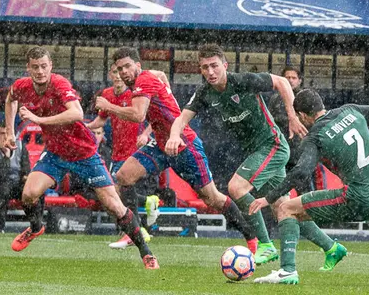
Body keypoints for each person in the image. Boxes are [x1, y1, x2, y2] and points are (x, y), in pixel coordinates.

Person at [168, 45, 344, 269]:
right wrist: (174, 135)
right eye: (205, 67)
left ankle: (265, 245)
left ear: (225, 65)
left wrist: (291, 115)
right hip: (258, 152)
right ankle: (332, 247)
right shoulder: (205, 92)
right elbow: (181, 118)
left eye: (214, 66)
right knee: (285, 208)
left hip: (273, 145)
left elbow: (281, 81)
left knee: (236, 187)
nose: (210, 72)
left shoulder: (242, 81)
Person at [248, 90, 369, 286]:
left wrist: (267, 198)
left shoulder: (315, 136)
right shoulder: (351, 111)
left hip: (358, 197)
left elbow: (301, 172)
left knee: (286, 208)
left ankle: (287, 271)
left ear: (303, 116)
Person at [5, 46, 159, 269]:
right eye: (35, 67)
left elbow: (76, 113)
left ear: (51, 67)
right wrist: (10, 131)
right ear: (28, 68)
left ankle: (146, 253)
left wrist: (38, 119)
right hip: (56, 152)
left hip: (84, 153)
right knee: (28, 194)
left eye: (44, 66)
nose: (40, 71)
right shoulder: (21, 86)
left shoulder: (58, 84)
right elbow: (11, 99)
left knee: (115, 206)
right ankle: (36, 227)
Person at [99, 47, 260, 253]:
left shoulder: (144, 81)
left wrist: (108, 106)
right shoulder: (148, 76)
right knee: (123, 176)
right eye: (119, 69)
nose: (123, 72)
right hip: (161, 144)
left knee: (212, 198)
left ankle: (251, 237)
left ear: (138, 66)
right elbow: (162, 75)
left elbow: (138, 115)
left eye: (128, 67)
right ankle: (134, 231)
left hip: (185, 145)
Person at [86, 64, 157, 249]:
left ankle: (132, 232)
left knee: (121, 188)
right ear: (110, 74)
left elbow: (151, 117)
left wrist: (146, 134)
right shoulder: (108, 94)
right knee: (115, 192)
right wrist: (83, 126)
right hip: (117, 150)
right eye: (115, 72)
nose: (118, 76)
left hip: (134, 150)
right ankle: (147, 205)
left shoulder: (135, 92)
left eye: (120, 72)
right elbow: (100, 120)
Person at [0, 122, 34, 233]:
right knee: (3, 189)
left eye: (8, 133)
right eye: (2, 133)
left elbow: (26, 168)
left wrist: (27, 179)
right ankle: (0, 227)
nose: (6, 137)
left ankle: (36, 225)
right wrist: (6, 157)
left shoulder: (20, 146)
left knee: (34, 191)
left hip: (16, 183)